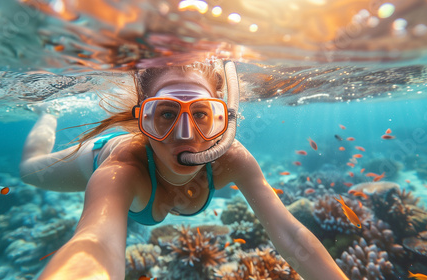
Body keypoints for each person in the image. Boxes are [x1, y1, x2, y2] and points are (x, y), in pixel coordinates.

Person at [20, 60, 348, 280]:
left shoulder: (232, 159)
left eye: (202, 114)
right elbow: (97, 242)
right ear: (143, 120)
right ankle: (48, 113)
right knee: (27, 170)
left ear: (224, 121)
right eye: (166, 114)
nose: (186, 134)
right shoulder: (123, 170)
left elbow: (290, 236)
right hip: (92, 158)